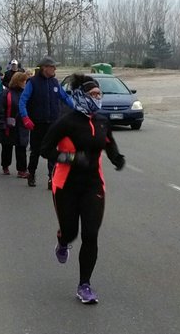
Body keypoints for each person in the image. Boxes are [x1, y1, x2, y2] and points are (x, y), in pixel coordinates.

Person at [40, 74, 125, 305]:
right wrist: (71, 158)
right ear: (81, 96)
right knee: (71, 233)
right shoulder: (66, 122)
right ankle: (62, 240)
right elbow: (45, 149)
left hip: (93, 185)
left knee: (90, 234)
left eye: (99, 94)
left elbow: (108, 143)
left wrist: (117, 158)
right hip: (65, 185)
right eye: (92, 94)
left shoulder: (102, 121)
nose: (97, 98)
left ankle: (84, 285)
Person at [19, 55, 74, 188]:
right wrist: (25, 117)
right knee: (36, 151)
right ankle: (31, 174)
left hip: (53, 123)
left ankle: (51, 178)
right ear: (45, 68)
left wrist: (78, 110)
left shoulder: (55, 83)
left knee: (52, 151)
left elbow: (65, 98)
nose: (55, 69)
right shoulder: (33, 82)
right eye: (52, 66)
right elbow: (23, 101)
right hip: (37, 123)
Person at [0, 70, 31, 177]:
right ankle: (5, 166)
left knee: (21, 148)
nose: (25, 83)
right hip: (8, 126)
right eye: (23, 81)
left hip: (22, 126)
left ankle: (22, 170)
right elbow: (0, 110)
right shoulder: (6, 93)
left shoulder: (26, 94)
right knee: (7, 148)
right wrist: (2, 124)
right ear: (17, 82)